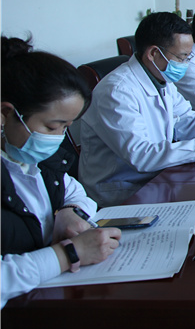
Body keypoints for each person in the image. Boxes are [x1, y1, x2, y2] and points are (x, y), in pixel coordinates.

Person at [79, 12, 195, 208]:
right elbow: (141, 156)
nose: (187, 63)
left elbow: (185, 118)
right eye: (182, 57)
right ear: (154, 53)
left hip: (159, 176)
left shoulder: (160, 77)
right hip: (124, 190)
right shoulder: (116, 91)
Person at [1, 36, 121, 308]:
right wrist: (68, 255)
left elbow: (74, 189)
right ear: (5, 114)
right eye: (52, 127)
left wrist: (70, 211)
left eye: (66, 127)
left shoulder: (32, 155)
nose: (58, 138)